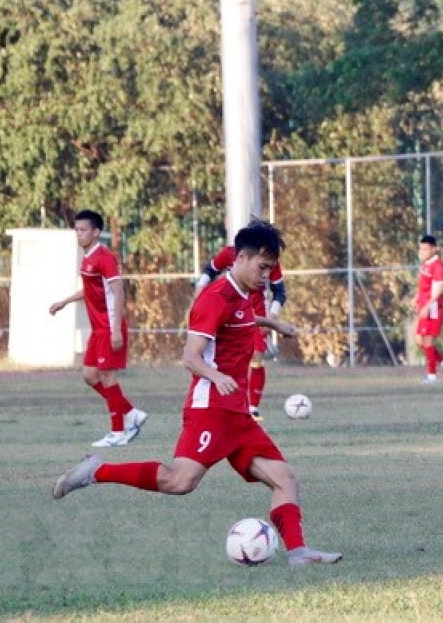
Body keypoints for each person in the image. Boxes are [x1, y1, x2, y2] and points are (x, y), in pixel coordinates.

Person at [52, 220, 343, 567]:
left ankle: (298, 553)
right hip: (212, 409)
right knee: (179, 481)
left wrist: (275, 324)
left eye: (271, 269)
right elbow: (190, 356)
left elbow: (243, 319)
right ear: (242, 258)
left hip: (237, 414)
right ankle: (96, 471)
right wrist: (217, 376)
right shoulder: (214, 298)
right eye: (263, 267)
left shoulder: (242, 294)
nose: (267, 276)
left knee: (285, 479)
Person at [49, 209, 147, 448]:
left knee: (106, 375)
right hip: (98, 329)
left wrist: (116, 330)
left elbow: (118, 291)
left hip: (108, 327)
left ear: (96, 232)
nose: (78, 234)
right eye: (77, 230)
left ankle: (117, 432)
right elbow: (93, 290)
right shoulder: (87, 258)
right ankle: (131, 413)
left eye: (83, 230)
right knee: (89, 376)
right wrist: (64, 301)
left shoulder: (104, 257)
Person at [194, 237, 287, 421]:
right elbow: (209, 270)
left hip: (257, 313)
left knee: (256, 357)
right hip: (231, 312)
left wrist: (272, 318)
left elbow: (280, 292)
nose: (266, 272)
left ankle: (252, 408)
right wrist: (199, 290)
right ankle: (234, 404)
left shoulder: (270, 261)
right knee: (232, 357)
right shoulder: (229, 254)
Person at [415, 234, 443, 384]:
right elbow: (424, 285)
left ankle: (431, 375)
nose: (422, 252)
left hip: (432, 308)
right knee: (419, 340)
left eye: (425, 249)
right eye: (421, 249)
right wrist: (416, 297)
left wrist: (427, 306)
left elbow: (437, 290)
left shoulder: (437, 266)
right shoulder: (426, 264)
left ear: (433, 249)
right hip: (424, 305)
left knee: (427, 341)